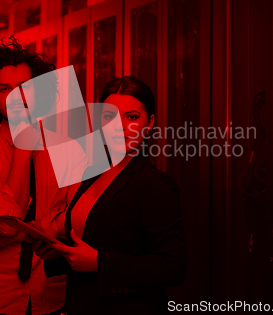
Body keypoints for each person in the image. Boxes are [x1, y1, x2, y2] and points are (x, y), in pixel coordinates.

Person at [34, 76, 187, 315]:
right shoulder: (91, 172)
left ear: (149, 123)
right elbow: (95, 240)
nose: (120, 126)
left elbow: (172, 267)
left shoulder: (155, 184)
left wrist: (99, 263)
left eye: (132, 117)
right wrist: (57, 251)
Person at [0, 37, 87, 315]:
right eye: (5, 89)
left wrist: (21, 231)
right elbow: (4, 228)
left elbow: (75, 223)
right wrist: (23, 150)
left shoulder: (69, 148)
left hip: (52, 294)